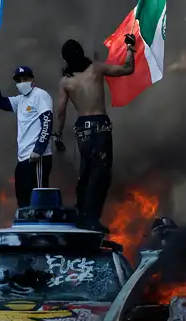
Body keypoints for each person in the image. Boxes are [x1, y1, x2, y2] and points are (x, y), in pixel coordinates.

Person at [52, 37, 136, 233]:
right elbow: (127, 69)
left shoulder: (66, 81)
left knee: (86, 172)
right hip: (100, 127)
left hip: (83, 129)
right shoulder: (96, 69)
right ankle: (90, 218)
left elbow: (61, 110)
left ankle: (82, 213)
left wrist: (57, 135)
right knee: (101, 175)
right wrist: (130, 48)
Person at [0, 60, 54, 207]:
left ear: (32, 79)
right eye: (18, 80)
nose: (22, 82)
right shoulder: (19, 101)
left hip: (38, 157)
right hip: (23, 158)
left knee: (38, 198)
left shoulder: (40, 95)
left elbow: (47, 122)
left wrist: (38, 150)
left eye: (25, 79)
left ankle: (41, 228)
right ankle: (27, 227)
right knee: (23, 198)